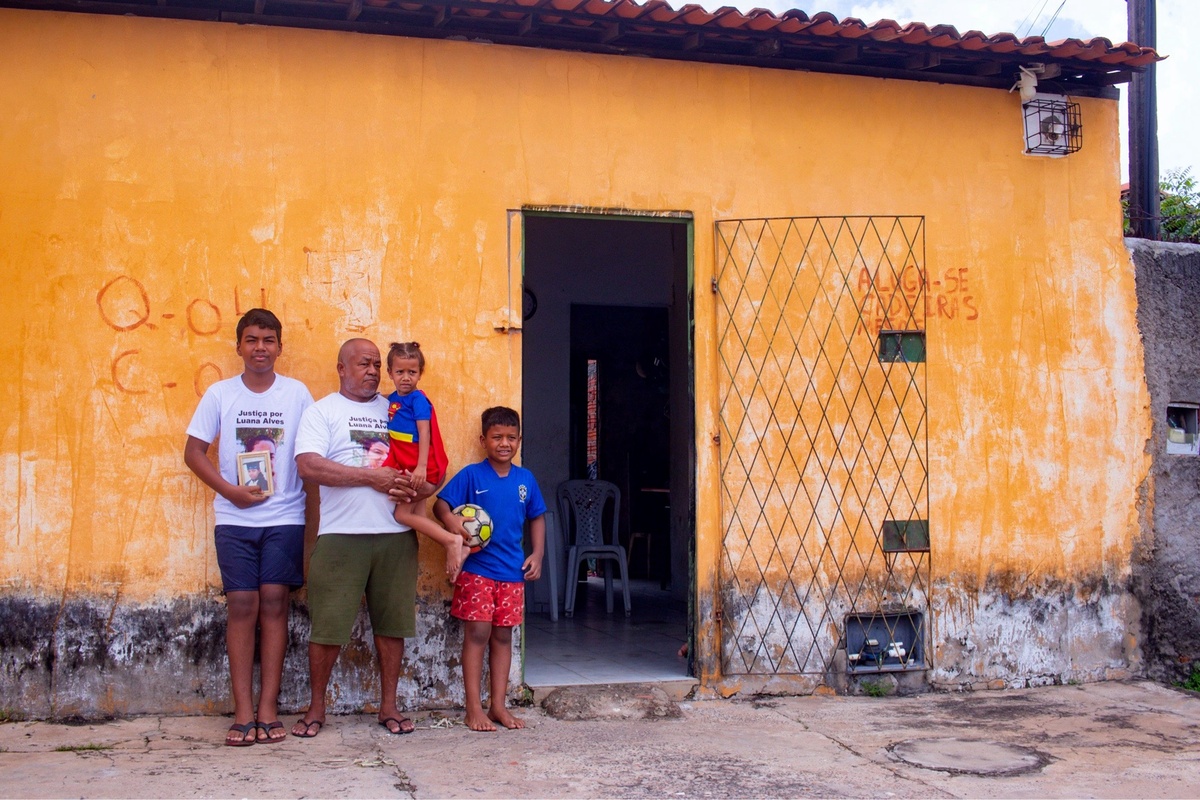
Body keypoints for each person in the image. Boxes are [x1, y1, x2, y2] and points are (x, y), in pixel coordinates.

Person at [290, 338, 465, 739]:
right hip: (341, 535)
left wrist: (422, 487)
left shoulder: (397, 406)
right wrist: (373, 478)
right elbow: (309, 466)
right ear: (341, 369)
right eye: (362, 364)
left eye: (374, 364)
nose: (371, 371)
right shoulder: (323, 411)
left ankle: (389, 706)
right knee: (327, 626)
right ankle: (316, 708)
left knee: (392, 626)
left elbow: (431, 457)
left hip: (396, 535)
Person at [183, 308, 314, 746]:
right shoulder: (220, 394)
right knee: (242, 604)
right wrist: (229, 491)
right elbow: (194, 452)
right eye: (252, 339)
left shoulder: (296, 394)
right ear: (238, 346)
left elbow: (311, 451)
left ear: (280, 347)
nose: (260, 347)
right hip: (234, 517)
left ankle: (268, 708)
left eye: (268, 340)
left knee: (275, 602)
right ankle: (242, 711)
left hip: (285, 516)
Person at [434, 406, 546, 732]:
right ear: (483, 440)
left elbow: (537, 516)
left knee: (503, 636)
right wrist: (452, 522)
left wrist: (538, 554)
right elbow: (440, 504)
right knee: (478, 633)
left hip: (512, 572)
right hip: (477, 571)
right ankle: (473, 708)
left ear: (520, 440)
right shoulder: (471, 475)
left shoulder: (525, 480)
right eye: (497, 437)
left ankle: (498, 705)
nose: (504, 443)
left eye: (511, 437)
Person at [381, 342, 457, 552]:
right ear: (390, 373)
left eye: (412, 372)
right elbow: (389, 399)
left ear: (420, 373)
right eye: (400, 372)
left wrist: (421, 467)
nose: (406, 377)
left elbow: (425, 433)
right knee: (419, 516)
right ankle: (458, 545)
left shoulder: (418, 400)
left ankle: (452, 541)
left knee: (402, 515)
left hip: (418, 465)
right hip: (406, 460)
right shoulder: (394, 397)